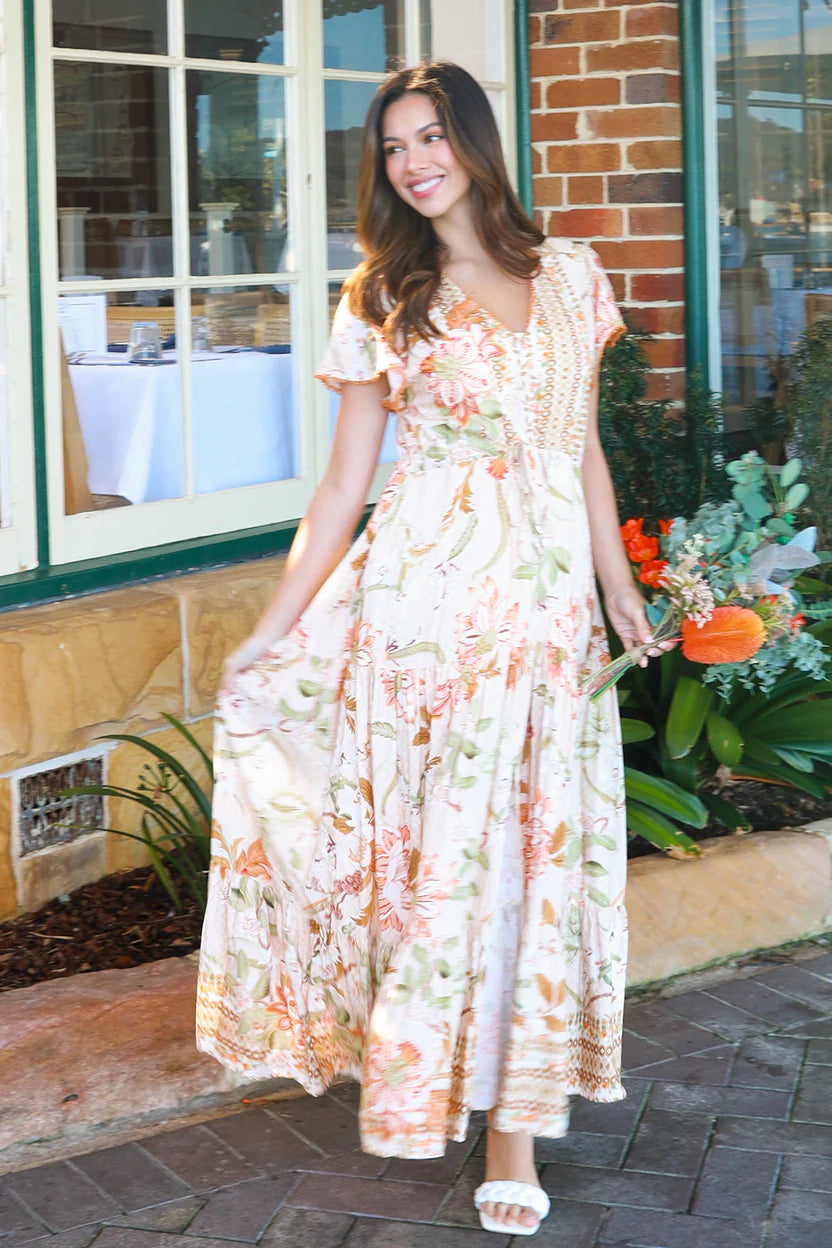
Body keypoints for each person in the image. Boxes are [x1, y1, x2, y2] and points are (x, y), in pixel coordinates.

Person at [197, 61, 656, 1238]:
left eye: (431, 136)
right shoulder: (380, 296)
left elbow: (579, 447)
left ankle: (512, 1126)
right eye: (394, 146)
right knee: (449, 859)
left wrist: (616, 586)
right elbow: (341, 486)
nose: (412, 162)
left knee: (535, 856)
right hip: (427, 616)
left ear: (475, 142)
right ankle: (445, 1080)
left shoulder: (570, 274)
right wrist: (272, 628)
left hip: (546, 621)